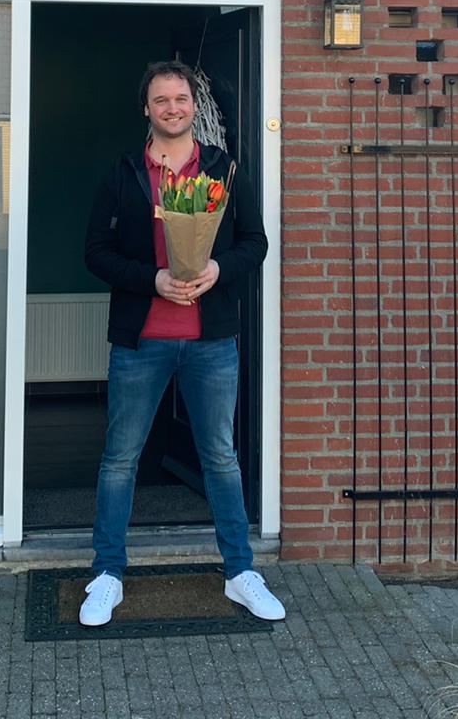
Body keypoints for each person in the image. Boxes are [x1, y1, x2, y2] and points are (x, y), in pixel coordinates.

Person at [78, 59, 283, 626]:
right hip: (141, 340)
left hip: (210, 342)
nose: (172, 108)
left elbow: (255, 242)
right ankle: (107, 573)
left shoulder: (223, 169)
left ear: (194, 105)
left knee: (220, 457)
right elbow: (95, 252)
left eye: (181, 99)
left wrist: (216, 269)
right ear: (146, 109)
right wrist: (154, 280)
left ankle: (240, 572)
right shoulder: (124, 173)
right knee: (120, 459)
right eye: (161, 100)